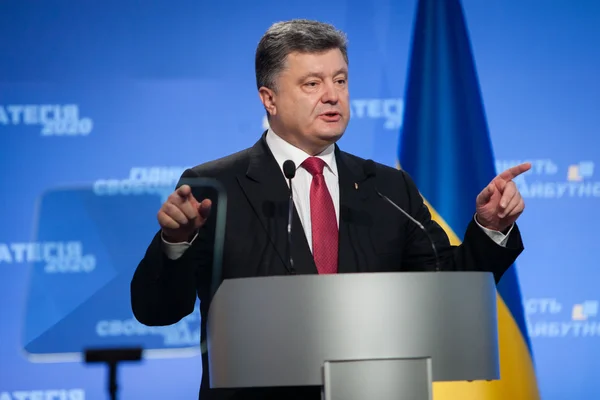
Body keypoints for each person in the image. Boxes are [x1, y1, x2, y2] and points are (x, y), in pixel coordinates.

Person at [130, 19, 530, 400]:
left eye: (340, 80)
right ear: (268, 98)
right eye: (312, 83)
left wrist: (488, 228)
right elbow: (157, 310)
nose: (332, 95)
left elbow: (447, 294)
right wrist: (175, 242)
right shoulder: (216, 188)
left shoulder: (390, 189)